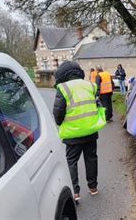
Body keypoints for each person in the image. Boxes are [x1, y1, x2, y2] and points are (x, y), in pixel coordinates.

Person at [53, 61, 106, 201]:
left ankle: (75, 192)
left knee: (71, 162)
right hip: (90, 131)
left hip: (73, 134)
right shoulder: (90, 85)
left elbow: (58, 113)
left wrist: (60, 123)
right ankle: (93, 187)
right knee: (91, 158)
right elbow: (96, 104)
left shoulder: (63, 87)